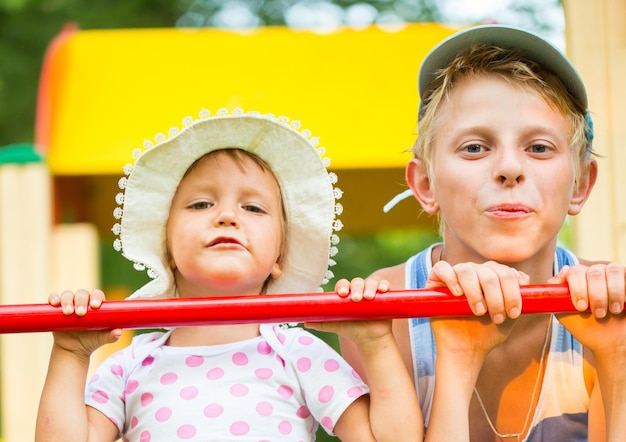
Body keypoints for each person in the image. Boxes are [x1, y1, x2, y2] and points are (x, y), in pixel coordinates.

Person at [35, 109, 421, 441]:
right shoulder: (131, 362)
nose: (227, 215)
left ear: (279, 257)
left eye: (253, 208)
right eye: (201, 203)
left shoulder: (296, 353)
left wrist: (376, 342)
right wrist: (70, 354)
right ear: (166, 249)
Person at [337, 25, 626, 441]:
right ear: (426, 185)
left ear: (580, 184)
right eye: (475, 147)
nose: (510, 168)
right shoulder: (386, 307)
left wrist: (616, 357)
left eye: (539, 147)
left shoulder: (610, 305)